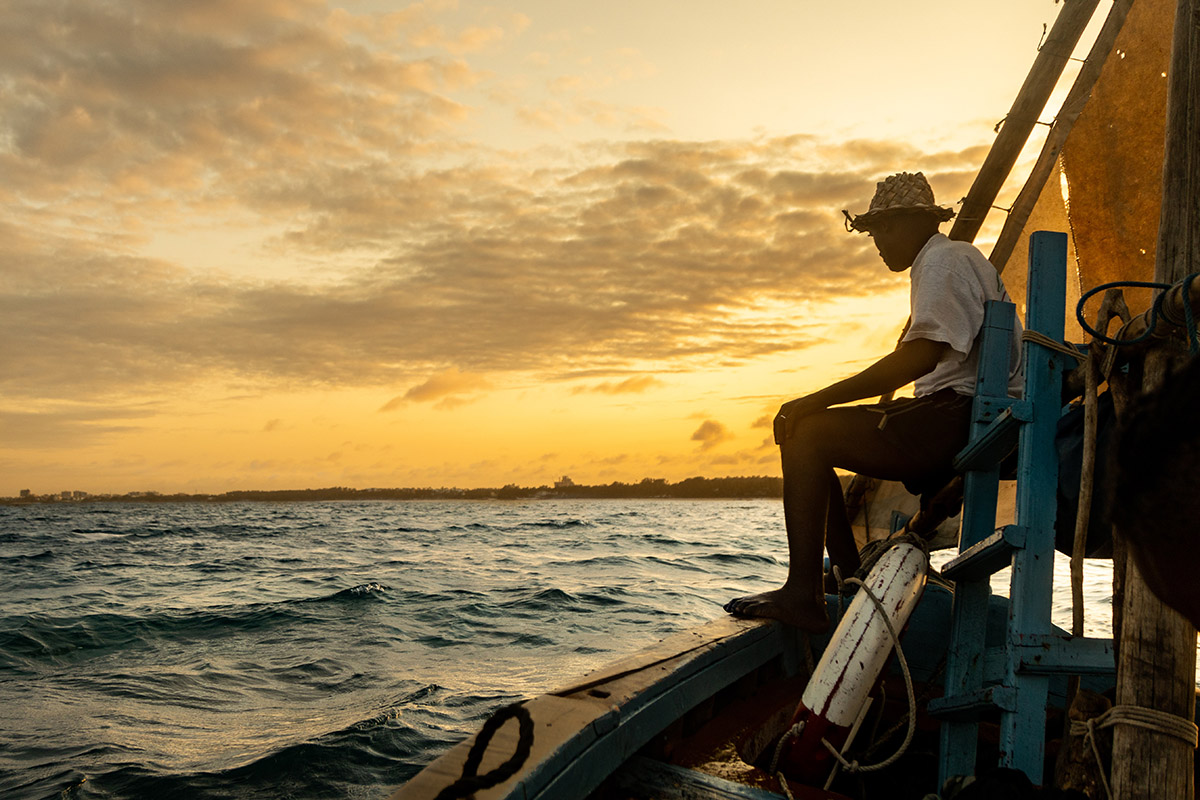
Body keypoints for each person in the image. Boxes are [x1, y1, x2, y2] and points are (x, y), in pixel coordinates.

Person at [724, 172, 1022, 632]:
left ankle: (802, 594)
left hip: (959, 415)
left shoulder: (942, 262)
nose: (877, 243)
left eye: (882, 230)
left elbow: (919, 360)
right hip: (964, 413)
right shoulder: (950, 259)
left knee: (807, 432)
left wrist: (813, 399)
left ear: (910, 223)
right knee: (811, 435)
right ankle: (847, 577)